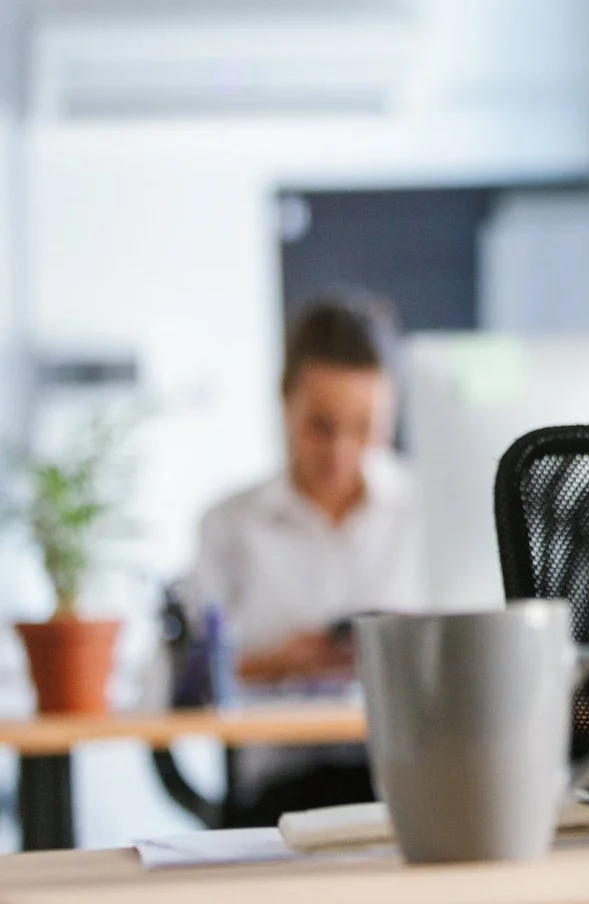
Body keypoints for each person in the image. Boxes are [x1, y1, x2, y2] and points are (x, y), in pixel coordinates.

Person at [182, 296, 423, 822]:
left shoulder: (428, 511)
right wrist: (276, 663)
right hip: (282, 791)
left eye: (365, 429)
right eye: (320, 426)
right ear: (283, 400)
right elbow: (179, 681)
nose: (341, 452)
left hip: (413, 777)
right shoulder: (230, 525)